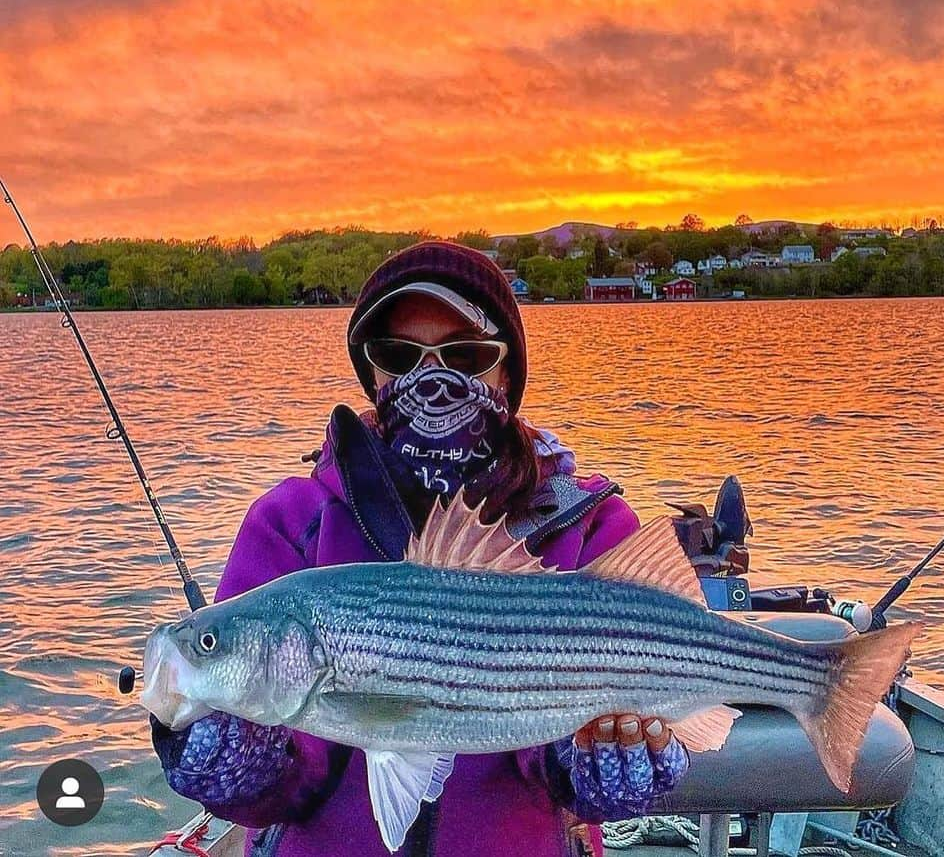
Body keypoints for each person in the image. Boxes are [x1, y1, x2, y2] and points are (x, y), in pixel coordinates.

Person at [151, 242, 690, 857]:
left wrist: (597, 765)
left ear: (508, 371)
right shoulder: (290, 522)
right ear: (371, 372)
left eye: (465, 354)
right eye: (398, 356)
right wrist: (234, 757)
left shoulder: (589, 524)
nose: (431, 378)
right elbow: (282, 786)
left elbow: (569, 762)